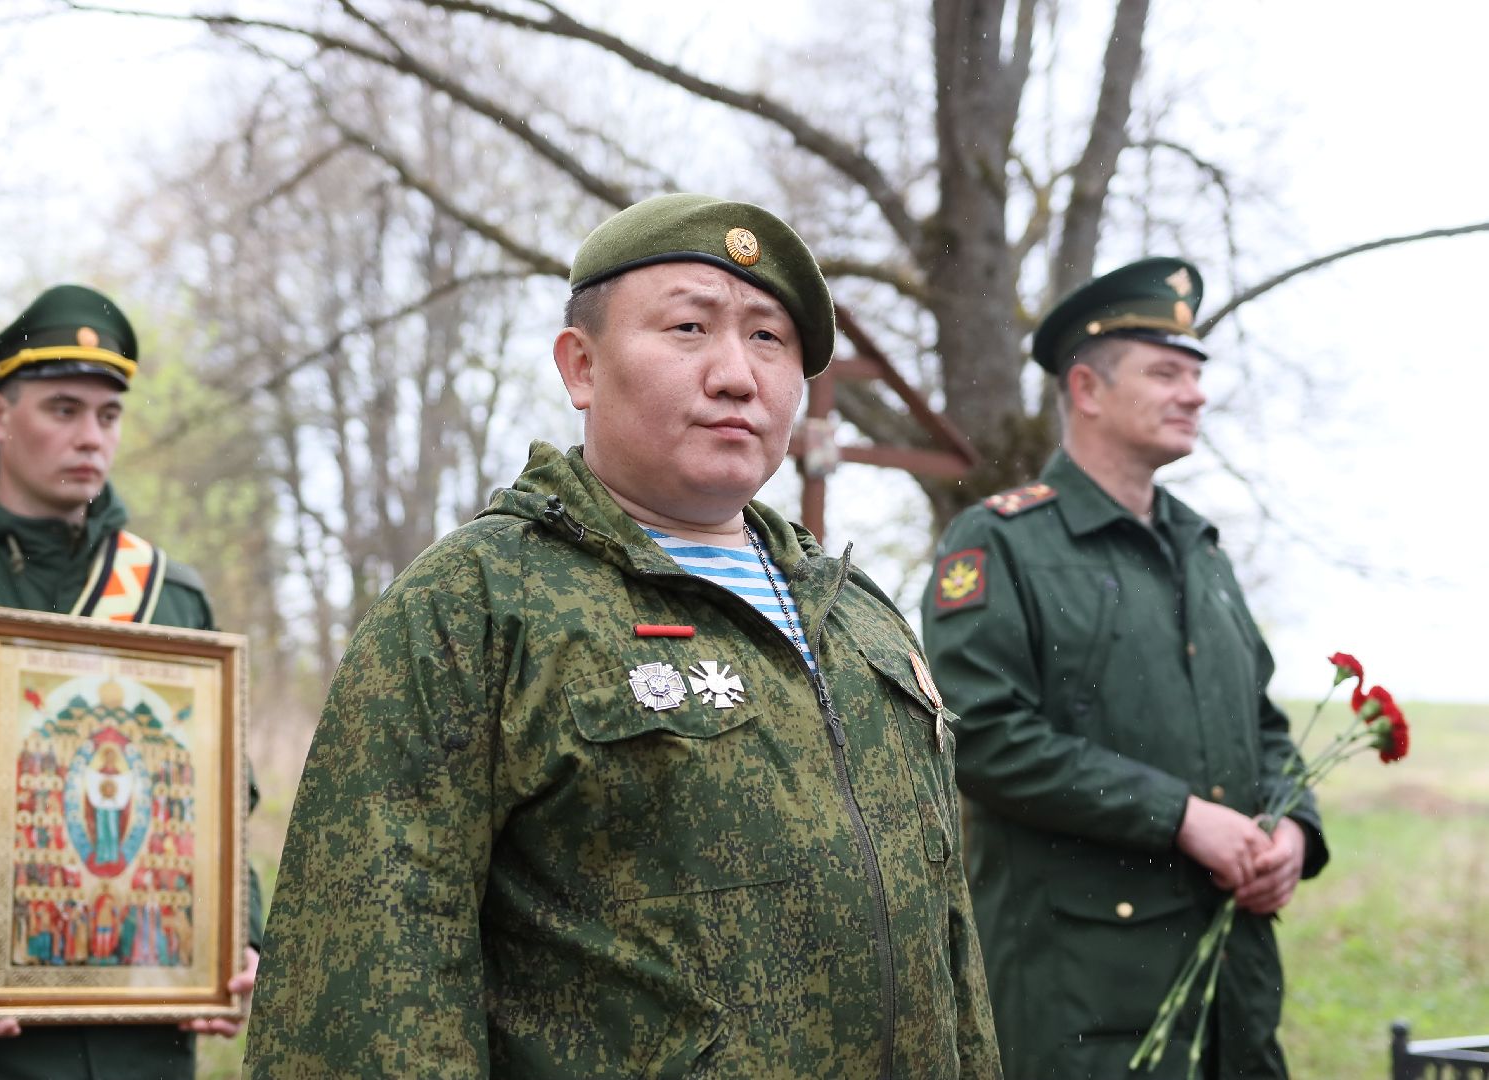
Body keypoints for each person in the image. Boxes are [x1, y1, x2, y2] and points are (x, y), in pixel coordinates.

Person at [245, 194, 1001, 1078]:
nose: (736, 375)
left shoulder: (861, 617)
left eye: (769, 339)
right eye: (689, 327)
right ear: (582, 367)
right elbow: (365, 987)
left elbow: (953, 959)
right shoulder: (478, 606)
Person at [921, 257, 1329, 1079]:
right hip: (1088, 1001)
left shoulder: (1201, 552)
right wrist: (1180, 815)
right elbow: (984, 737)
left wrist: (1293, 828)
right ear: (1088, 389)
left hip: (1231, 998)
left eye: (1197, 374)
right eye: (1166, 372)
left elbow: (1263, 728)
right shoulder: (999, 543)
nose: (1195, 393)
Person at [0, 285, 263, 1079]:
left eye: (108, 416)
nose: (91, 436)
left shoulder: (171, 598)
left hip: (144, 1037)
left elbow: (220, 810)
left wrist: (237, 935)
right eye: (63, 409)